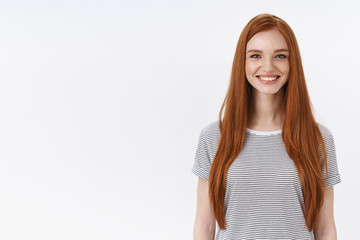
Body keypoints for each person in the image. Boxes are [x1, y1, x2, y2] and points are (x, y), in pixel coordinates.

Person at [191, 13, 341, 240]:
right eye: (255, 55)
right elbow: (204, 225)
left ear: (293, 63)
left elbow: (326, 227)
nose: (268, 66)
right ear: (242, 62)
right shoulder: (214, 137)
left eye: (280, 55)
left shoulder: (318, 138)